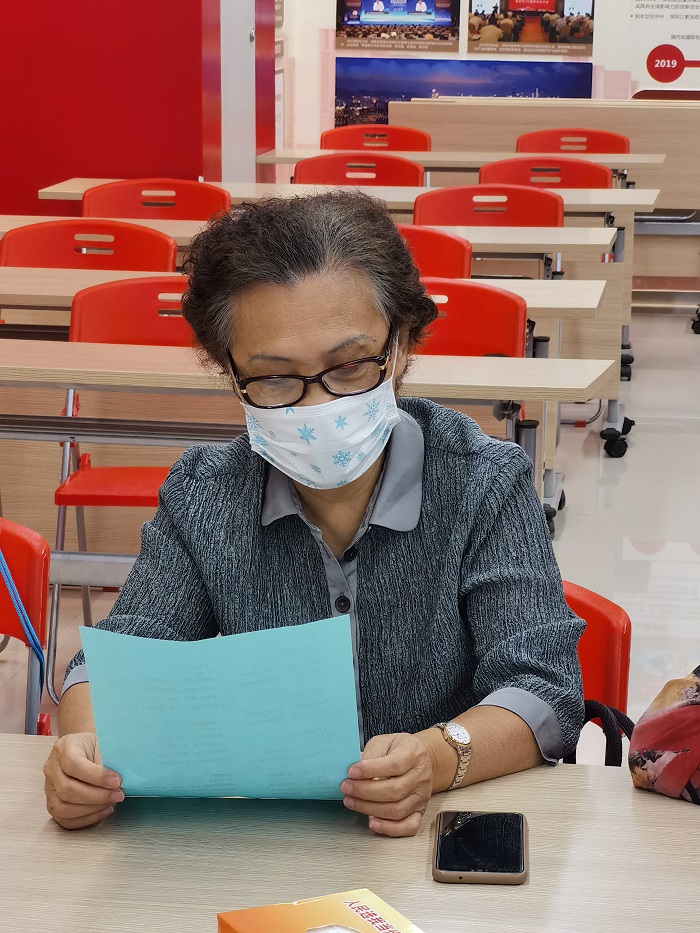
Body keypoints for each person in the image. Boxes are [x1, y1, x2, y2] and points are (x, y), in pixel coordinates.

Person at [43, 192, 585, 837]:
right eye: (274, 378)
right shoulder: (205, 494)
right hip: (267, 839)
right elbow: (122, 658)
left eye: (350, 365)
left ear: (401, 344)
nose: (317, 405)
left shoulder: (482, 482)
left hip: (433, 837)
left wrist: (437, 758)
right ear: (230, 373)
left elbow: (542, 687)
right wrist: (84, 752)